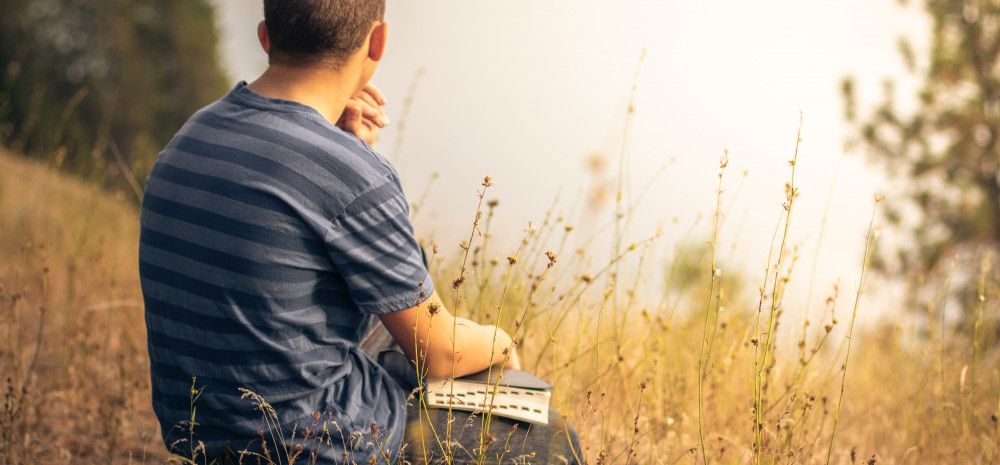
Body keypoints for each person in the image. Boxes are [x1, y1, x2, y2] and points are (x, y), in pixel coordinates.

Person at [137, 1, 583, 464]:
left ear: (266, 36)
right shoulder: (352, 175)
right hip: (308, 441)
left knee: (392, 343)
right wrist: (501, 342)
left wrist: (344, 150)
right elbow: (442, 354)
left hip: (202, 428)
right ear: (378, 42)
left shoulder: (190, 136)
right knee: (549, 438)